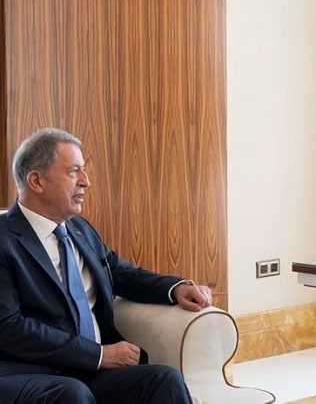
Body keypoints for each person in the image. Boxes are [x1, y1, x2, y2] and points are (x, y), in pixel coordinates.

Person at [0, 128, 213, 403]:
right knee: (72, 394)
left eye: (84, 171)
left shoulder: (79, 230)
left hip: (89, 372)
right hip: (27, 372)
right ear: (37, 181)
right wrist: (99, 355)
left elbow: (122, 274)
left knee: (164, 379)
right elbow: (9, 327)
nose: (86, 181)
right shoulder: (5, 239)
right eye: (74, 171)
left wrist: (176, 288)